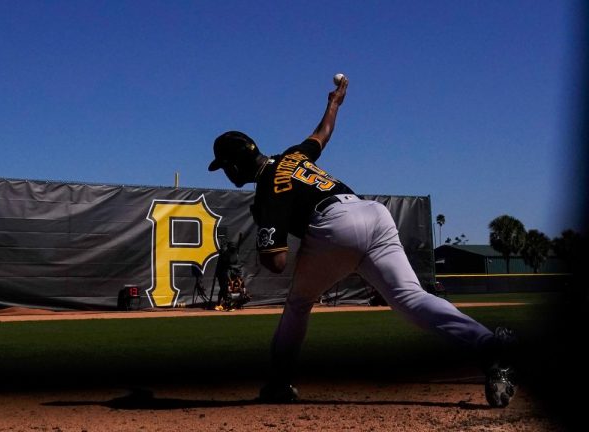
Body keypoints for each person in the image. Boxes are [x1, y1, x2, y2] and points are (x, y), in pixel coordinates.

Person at [207, 76, 516, 408]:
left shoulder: (269, 187)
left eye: (224, 167)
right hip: (372, 213)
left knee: (298, 304)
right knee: (411, 299)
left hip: (334, 226)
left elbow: (276, 262)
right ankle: (490, 349)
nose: (225, 173)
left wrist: (264, 227)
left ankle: (280, 382)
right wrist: (334, 103)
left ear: (235, 166)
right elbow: (322, 134)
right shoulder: (294, 156)